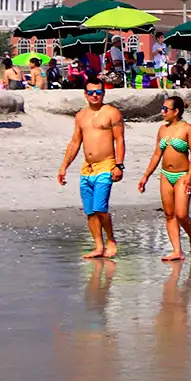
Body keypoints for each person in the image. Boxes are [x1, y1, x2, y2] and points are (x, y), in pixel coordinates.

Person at [56, 85, 127, 259]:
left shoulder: (112, 113)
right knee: (90, 211)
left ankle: (111, 240)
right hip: (87, 168)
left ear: (104, 93)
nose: (95, 95)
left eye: (98, 92)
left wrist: (119, 165)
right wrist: (64, 166)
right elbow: (75, 142)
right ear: (85, 94)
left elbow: (120, 140)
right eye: (91, 92)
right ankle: (98, 246)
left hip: (106, 165)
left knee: (100, 208)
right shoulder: (81, 116)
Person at [137, 95, 191, 262]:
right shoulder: (162, 130)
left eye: (166, 109)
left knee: (181, 215)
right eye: (162, 108)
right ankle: (176, 251)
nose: (162, 111)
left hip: (182, 175)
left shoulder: (188, 129)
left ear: (176, 111)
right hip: (165, 175)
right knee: (169, 214)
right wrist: (146, 176)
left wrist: (190, 176)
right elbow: (157, 154)